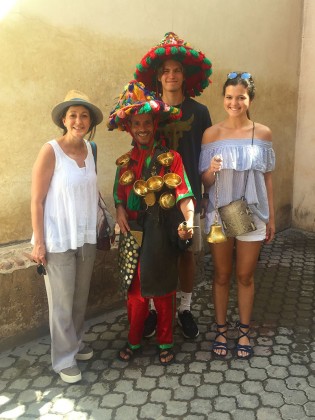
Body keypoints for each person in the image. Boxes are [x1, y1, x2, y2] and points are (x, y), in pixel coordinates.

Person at [108, 80, 195, 365]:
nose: (142, 128)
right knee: (135, 294)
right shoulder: (125, 163)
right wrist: (120, 210)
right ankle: (133, 341)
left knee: (164, 290)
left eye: (146, 122)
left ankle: (165, 341)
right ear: (129, 127)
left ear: (154, 124)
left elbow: (184, 194)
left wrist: (189, 220)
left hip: (160, 230)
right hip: (133, 231)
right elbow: (119, 196)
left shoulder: (172, 160)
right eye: (136, 123)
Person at [134, 32, 212, 339]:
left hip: (187, 197)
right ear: (158, 75)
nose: (171, 74)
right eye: (165, 70)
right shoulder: (147, 111)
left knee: (186, 254)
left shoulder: (200, 112)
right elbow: (138, 151)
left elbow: (206, 156)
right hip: (153, 197)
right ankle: (154, 310)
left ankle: (185, 308)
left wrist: (205, 195)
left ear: (184, 75)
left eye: (176, 70)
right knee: (153, 253)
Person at [199, 72, 275, 359]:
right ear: (223, 99)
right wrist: (212, 170)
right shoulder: (211, 134)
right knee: (221, 275)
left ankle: (243, 331)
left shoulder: (263, 133)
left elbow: (268, 179)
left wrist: (272, 219)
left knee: (245, 276)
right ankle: (221, 329)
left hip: (253, 214)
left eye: (240, 97)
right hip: (219, 216)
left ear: (249, 99)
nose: (234, 102)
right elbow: (204, 182)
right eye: (229, 97)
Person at [30, 90, 103, 383]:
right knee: (61, 302)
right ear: (63, 119)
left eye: (84, 115)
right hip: (58, 237)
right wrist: (38, 241)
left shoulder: (91, 148)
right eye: (73, 114)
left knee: (79, 298)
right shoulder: (51, 150)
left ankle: (75, 344)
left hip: (85, 236)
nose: (79, 120)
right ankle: (63, 359)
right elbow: (36, 199)